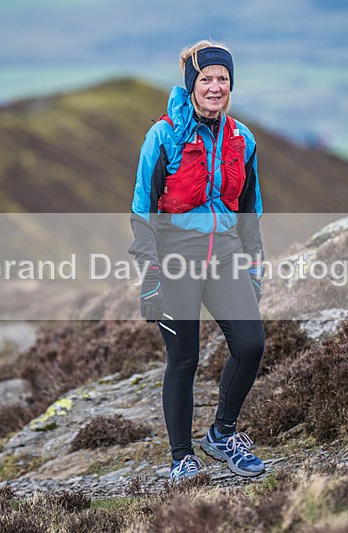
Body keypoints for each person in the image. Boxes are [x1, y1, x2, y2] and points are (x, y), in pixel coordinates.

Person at [128, 40, 266, 481]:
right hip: (175, 259)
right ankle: (181, 457)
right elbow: (141, 212)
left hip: (225, 254)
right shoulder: (164, 135)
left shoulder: (243, 139)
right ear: (192, 84)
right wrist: (150, 279)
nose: (215, 87)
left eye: (223, 79)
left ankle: (222, 435)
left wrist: (254, 267)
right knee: (184, 359)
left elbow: (249, 211)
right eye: (206, 79)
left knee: (250, 344)